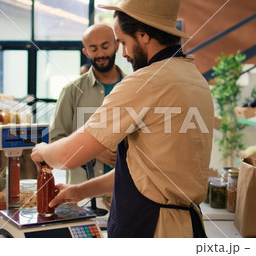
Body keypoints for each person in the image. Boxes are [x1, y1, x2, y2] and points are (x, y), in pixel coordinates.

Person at [31, 0, 214, 238]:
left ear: (143, 35)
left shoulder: (145, 82)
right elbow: (146, 173)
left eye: (124, 42)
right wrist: (81, 190)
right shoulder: (195, 79)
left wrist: (43, 150)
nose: (124, 53)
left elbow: (69, 156)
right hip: (187, 226)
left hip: (152, 227)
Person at [51, 24, 125, 185]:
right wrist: (93, 151)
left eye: (105, 47)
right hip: (81, 194)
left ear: (117, 46)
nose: (100, 54)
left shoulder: (134, 88)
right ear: (86, 52)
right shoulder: (71, 91)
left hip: (126, 190)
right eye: (93, 49)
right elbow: (55, 141)